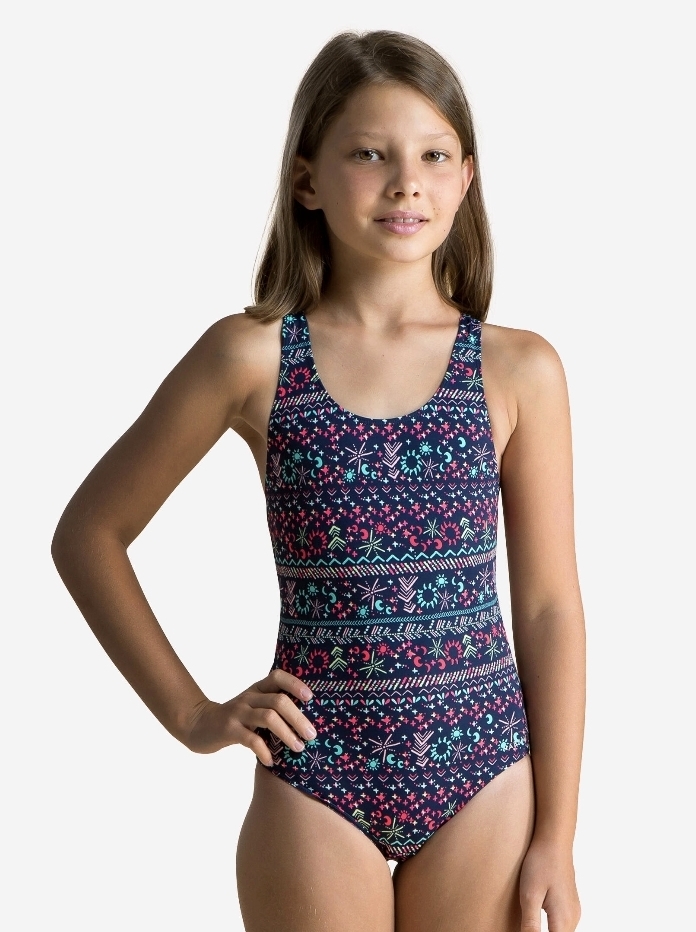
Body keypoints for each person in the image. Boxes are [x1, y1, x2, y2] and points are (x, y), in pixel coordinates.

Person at [52, 30, 585, 932]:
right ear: (307, 180)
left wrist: (558, 836)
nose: (405, 182)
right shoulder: (253, 355)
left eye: (433, 155)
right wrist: (193, 715)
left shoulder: (517, 369)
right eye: (369, 154)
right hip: (316, 773)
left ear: (466, 179)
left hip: (486, 773)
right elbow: (89, 535)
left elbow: (548, 611)